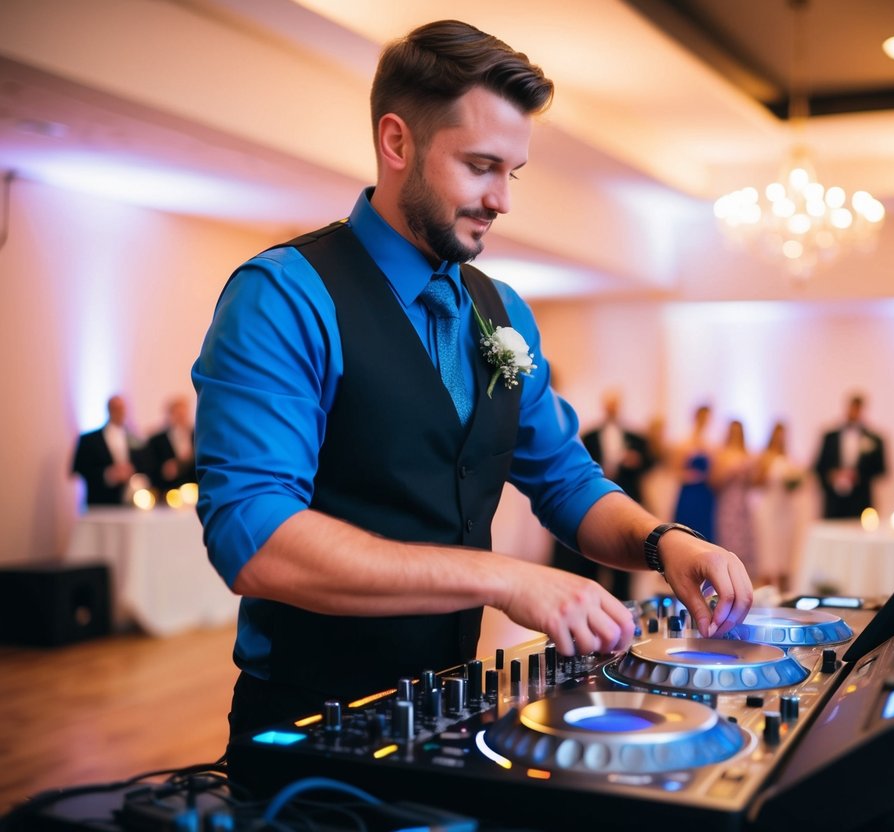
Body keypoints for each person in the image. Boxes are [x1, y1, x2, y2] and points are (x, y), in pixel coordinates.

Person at [191, 20, 752, 740]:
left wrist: (662, 541)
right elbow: (254, 536)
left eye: (510, 173)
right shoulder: (284, 295)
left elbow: (565, 481)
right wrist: (503, 576)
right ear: (397, 143)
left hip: (451, 703)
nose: (502, 200)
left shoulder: (501, 311)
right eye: (480, 166)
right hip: (307, 718)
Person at [551, 388, 655, 598]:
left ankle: (624, 604)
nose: (612, 408)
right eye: (609, 404)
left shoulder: (636, 437)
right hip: (593, 498)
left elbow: (651, 461)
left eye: (615, 404)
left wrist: (635, 461)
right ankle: (593, 600)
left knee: (625, 558)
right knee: (591, 558)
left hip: (627, 497)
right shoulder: (589, 435)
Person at [813, 393, 886, 519]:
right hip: (834, 503)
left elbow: (881, 469)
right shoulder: (830, 437)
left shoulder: (874, 438)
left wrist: (858, 475)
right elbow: (818, 466)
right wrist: (833, 475)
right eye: (852, 407)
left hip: (861, 500)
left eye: (858, 408)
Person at [70, 394, 149, 506]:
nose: (119, 412)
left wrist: (131, 470)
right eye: (115, 408)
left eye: (121, 408)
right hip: (100, 503)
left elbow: (146, 465)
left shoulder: (134, 437)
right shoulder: (89, 440)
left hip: (131, 502)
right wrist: (108, 474)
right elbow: (79, 468)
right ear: (109, 410)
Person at [752, 422, 803, 589]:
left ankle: (783, 587)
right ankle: (767, 587)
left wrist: (794, 482)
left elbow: (797, 485)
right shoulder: (765, 457)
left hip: (786, 510)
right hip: (769, 509)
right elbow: (756, 482)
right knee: (768, 550)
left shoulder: (790, 458)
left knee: (784, 551)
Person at [710, 420, 757, 576]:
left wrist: (749, 474)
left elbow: (754, 483)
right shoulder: (721, 453)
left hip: (742, 503)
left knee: (745, 542)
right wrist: (730, 472)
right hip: (727, 503)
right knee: (728, 539)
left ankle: (742, 575)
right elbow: (714, 481)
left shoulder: (747, 453)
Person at [671, 404, 717, 543]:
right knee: (687, 528)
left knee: (704, 531)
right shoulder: (685, 443)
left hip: (705, 493)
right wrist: (691, 476)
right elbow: (676, 471)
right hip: (690, 492)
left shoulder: (710, 444)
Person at [147, 395, 196, 492]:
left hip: (193, 490)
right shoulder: (157, 440)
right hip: (168, 491)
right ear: (170, 415)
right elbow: (151, 468)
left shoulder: (196, 436)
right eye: (178, 414)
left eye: (184, 414)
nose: (182, 418)